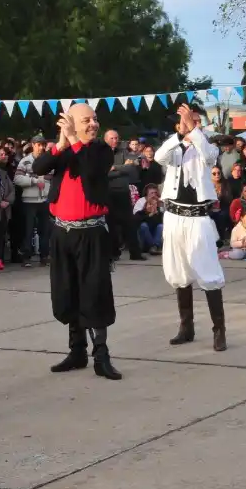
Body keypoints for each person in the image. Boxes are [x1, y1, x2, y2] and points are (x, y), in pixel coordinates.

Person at [32, 104, 121, 381]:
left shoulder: (101, 151)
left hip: (91, 233)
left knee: (94, 292)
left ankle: (101, 356)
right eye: (87, 120)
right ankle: (77, 351)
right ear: (72, 122)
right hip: (62, 233)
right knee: (67, 290)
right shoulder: (66, 149)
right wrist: (61, 143)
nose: (94, 124)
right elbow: (39, 167)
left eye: (95, 119)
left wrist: (73, 140)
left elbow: (90, 171)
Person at [154, 100, 228, 352]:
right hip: (173, 216)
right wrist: (180, 133)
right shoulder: (173, 148)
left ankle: (219, 330)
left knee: (208, 271)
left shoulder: (207, 147)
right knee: (178, 272)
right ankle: (186, 327)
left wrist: (193, 128)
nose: (191, 125)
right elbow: (158, 156)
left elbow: (208, 155)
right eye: (187, 121)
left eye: (196, 122)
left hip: (198, 217)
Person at [105, 128, 145, 261]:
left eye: (116, 138)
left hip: (123, 191)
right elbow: (103, 172)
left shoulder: (124, 152)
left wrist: (115, 167)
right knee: (110, 224)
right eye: (112, 138)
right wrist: (122, 168)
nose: (115, 140)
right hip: (108, 192)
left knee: (129, 223)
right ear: (106, 139)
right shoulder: (101, 153)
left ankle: (135, 253)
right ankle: (113, 253)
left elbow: (131, 168)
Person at [14, 135, 52, 266]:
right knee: (28, 230)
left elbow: (53, 178)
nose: (41, 147)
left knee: (44, 230)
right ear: (33, 145)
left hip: (45, 199)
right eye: (38, 145)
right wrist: (33, 181)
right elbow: (17, 179)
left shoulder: (48, 161)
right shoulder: (25, 161)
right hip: (30, 201)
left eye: (43, 145)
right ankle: (26, 257)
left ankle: (44, 256)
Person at [133, 184, 164, 252]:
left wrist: (157, 213)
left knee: (161, 226)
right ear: (147, 193)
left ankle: (154, 246)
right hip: (143, 232)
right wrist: (148, 213)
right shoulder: (141, 201)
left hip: (155, 232)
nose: (154, 195)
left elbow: (163, 220)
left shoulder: (159, 203)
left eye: (155, 193)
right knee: (144, 225)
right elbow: (136, 219)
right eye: (151, 193)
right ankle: (153, 246)